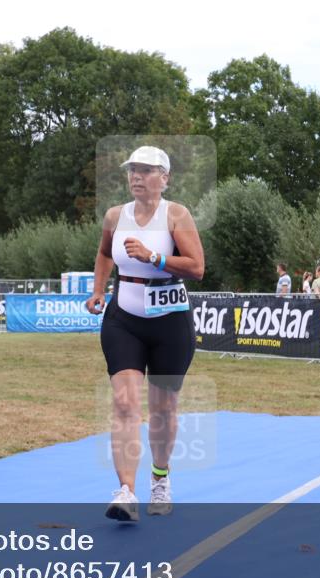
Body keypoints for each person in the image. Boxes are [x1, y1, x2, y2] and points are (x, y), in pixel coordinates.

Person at [84, 146, 205, 521]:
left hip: (170, 322)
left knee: (163, 410)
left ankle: (160, 478)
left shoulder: (176, 214)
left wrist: (155, 258)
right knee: (124, 404)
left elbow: (197, 268)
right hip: (125, 318)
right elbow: (105, 254)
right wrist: (98, 290)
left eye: (147, 170)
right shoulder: (115, 216)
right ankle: (126, 491)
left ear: (165, 177)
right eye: (133, 170)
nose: (137, 176)